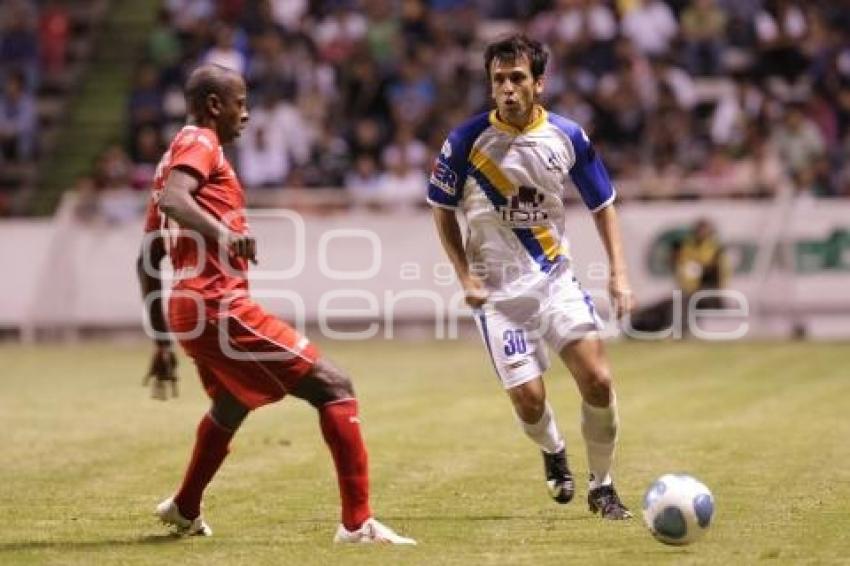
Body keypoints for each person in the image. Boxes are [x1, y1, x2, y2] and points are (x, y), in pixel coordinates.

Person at [136, 63, 414, 544]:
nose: (246, 114)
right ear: (214, 106)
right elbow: (178, 203)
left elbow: (147, 258)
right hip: (216, 303)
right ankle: (357, 524)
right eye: (240, 103)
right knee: (334, 386)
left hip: (187, 307)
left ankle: (184, 507)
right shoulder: (201, 143)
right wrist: (226, 236)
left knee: (231, 402)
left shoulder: (168, 162)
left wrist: (162, 341)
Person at [428, 35, 633, 520]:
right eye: (498, 79)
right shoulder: (465, 142)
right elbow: (441, 210)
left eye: (517, 78)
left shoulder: (568, 137)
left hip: (555, 282)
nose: (507, 88)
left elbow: (603, 206)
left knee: (599, 381)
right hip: (498, 297)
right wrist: (465, 277)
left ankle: (603, 488)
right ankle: (553, 449)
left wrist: (618, 273)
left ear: (539, 83)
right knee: (528, 398)